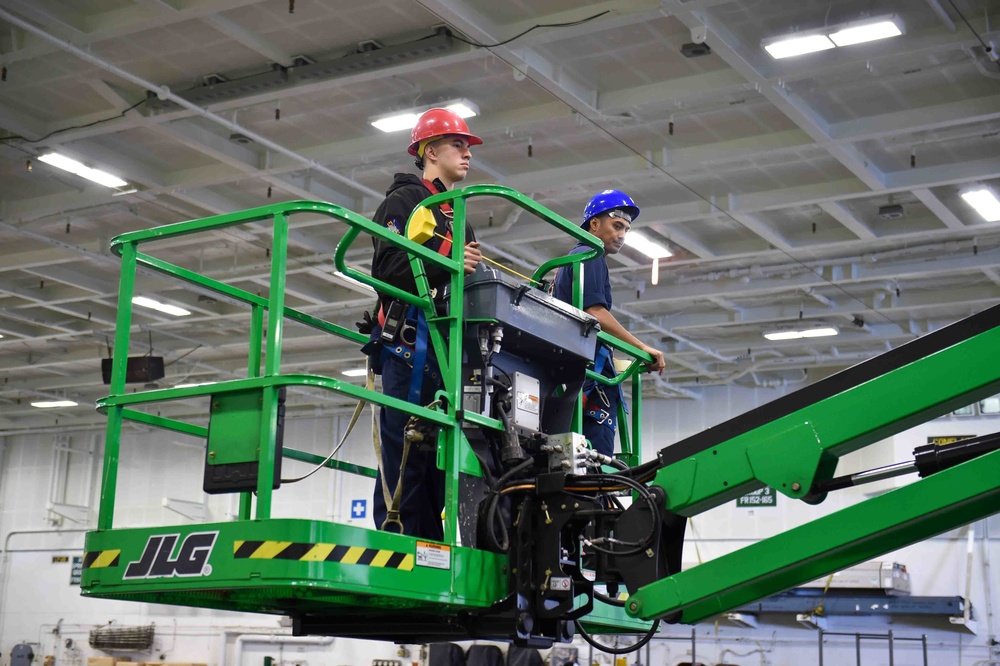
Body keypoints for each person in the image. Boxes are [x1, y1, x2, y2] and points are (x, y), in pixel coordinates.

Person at [365, 108, 484, 540]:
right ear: (430, 151)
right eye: (458, 144)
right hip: (408, 347)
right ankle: (397, 546)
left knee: (441, 460)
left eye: (468, 146)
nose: (467, 153)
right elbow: (388, 267)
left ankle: (433, 553)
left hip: (447, 353)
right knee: (404, 452)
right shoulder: (403, 202)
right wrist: (447, 264)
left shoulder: (459, 214)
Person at [552, 189, 667, 458]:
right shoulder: (590, 255)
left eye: (626, 230)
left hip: (572, 371)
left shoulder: (571, 261)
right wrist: (641, 348)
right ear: (594, 223)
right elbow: (595, 312)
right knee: (594, 465)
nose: (622, 236)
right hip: (589, 375)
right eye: (616, 226)